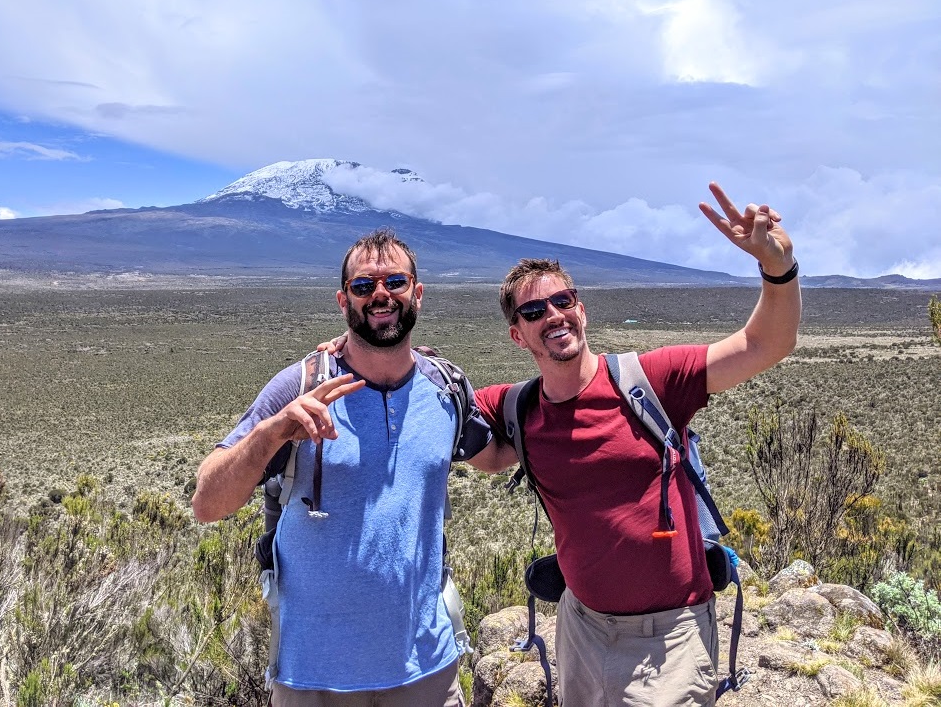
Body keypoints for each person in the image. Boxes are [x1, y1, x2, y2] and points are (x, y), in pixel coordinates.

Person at [471, 182, 802, 706]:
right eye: (534, 312)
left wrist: (777, 269)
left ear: (581, 310)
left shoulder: (651, 380)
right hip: (579, 628)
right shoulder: (516, 408)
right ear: (518, 335)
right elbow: (445, 414)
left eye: (563, 301)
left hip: (670, 638)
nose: (553, 315)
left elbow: (765, 344)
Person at [192, 228, 514, 706]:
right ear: (343, 300)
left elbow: (495, 455)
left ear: (417, 295)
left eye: (395, 282)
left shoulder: (445, 388)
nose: (380, 295)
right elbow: (207, 505)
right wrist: (272, 432)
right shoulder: (299, 387)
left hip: (426, 668)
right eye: (364, 286)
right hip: (313, 676)